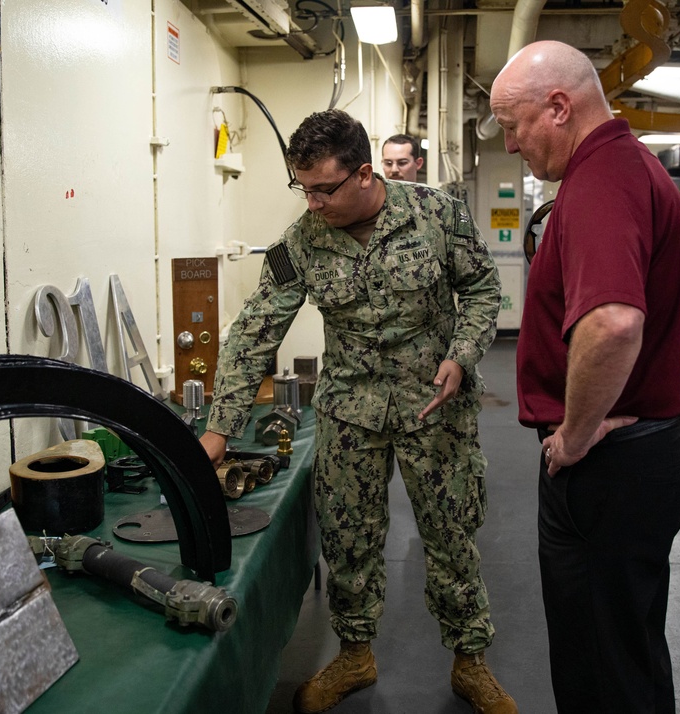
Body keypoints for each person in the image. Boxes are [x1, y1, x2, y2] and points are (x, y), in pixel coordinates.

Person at [199, 109, 516, 714]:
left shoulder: (437, 214)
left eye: (323, 188)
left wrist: (462, 355)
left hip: (434, 403)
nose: (312, 204)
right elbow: (255, 332)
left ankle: (470, 661)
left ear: (365, 174)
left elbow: (480, 291)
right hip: (350, 409)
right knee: (349, 540)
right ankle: (354, 653)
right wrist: (220, 428)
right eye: (303, 188)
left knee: (450, 535)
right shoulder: (301, 242)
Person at [490, 41, 680, 714]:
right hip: (645, 453)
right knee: (625, 649)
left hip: (610, 464)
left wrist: (576, 435)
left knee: (598, 667)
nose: (512, 145)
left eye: (512, 126)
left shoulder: (599, 181)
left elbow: (611, 324)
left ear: (557, 107)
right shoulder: (627, 165)